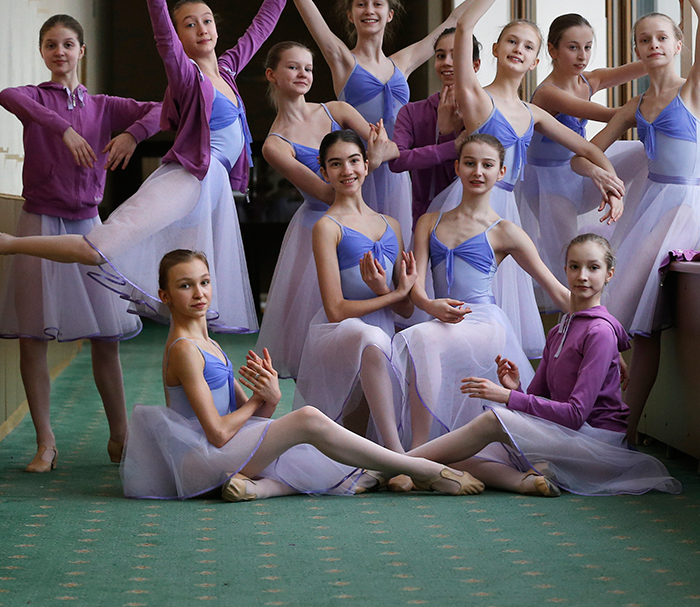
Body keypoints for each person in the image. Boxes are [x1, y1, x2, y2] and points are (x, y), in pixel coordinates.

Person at [0, 0, 326, 333]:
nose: (201, 29)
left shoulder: (226, 70)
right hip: (186, 178)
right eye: (189, 24)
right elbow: (165, 44)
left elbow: (263, 25)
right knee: (99, 249)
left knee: (196, 290)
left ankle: (197, 372)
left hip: (214, 188)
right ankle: (5, 243)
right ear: (181, 34)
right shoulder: (187, 76)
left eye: (206, 20)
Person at [231, 0, 507, 249]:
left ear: (390, 14)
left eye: (377, 4)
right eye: (361, 4)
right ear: (350, 14)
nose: (369, 10)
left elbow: (455, 20)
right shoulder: (342, 60)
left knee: (402, 251)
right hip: (362, 171)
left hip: (399, 169)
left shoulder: (402, 62)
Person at [120, 249, 484, 501]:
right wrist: (261, 402)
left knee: (305, 448)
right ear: (164, 296)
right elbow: (217, 432)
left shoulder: (207, 343)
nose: (199, 293)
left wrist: (269, 399)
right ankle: (424, 470)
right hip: (201, 460)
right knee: (308, 419)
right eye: (185, 286)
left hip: (221, 454)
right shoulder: (184, 349)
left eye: (204, 282)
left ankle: (261, 488)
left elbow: (249, 423)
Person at [0, 14, 161, 472]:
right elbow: (8, 97)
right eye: (51, 45)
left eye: (68, 44)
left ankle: (120, 436)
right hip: (39, 222)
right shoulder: (33, 97)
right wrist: (61, 128)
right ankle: (45, 442)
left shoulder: (103, 105)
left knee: (107, 338)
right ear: (43, 52)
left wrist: (132, 133)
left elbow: (167, 108)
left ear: (82, 51)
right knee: (33, 337)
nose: (60, 52)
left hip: (89, 226)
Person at [434, 0, 627, 356]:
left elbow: (587, 146)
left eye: (527, 46)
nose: (518, 49)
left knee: (504, 311)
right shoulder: (475, 98)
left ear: (537, 59)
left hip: (508, 212)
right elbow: (464, 23)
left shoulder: (533, 112)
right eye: (511, 41)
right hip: (470, 207)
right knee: (469, 303)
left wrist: (610, 180)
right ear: (497, 50)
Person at [406, 234, 681, 497]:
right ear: (565, 270)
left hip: (595, 443)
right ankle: (524, 482)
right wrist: (518, 388)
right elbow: (537, 404)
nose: (582, 275)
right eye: (575, 266)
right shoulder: (560, 330)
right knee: (467, 453)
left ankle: (389, 465)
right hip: (567, 435)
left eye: (593, 267)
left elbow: (575, 414)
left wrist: (507, 397)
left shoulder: (600, 332)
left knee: (492, 420)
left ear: (609, 274)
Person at [588, 0, 700, 445]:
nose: (653, 45)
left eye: (662, 37)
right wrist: (605, 177)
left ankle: (625, 428)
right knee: (624, 319)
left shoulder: (694, 89)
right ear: (637, 50)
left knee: (636, 322)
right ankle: (614, 422)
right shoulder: (637, 103)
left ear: (677, 44)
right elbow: (586, 151)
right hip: (646, 206)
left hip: (681, 206)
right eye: (644, 40)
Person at [394, 134, 570, 449]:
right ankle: (424, 448)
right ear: (457, 167)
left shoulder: (506, 231)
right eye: (470, 163)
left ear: (501, 172)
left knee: (421, 337)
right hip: (442, 319)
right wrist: (430, 306)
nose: (478, 172)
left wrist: (603, 324)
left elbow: (557, 291)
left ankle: (416, 454)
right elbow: (415, 288)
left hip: (484, 321)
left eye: (487, 165)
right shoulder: (428, 222)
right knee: (422, 336)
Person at [258, 43, 398, 379]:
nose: (303, 74)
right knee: (322, 320)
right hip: (319, 224)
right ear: (271, 75)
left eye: (308, 68)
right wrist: (365, 162)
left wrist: (375, 157)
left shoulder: (337, 110)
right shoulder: (275, 144)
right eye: (293, 67)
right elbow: (325, 190)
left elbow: (388, 145)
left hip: (361, 217)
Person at [293, 130, 414, 457]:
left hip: (384, 331)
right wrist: (390, 294)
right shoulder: (327, 227)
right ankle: (397, 457)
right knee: (368, 339)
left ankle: (380, 458)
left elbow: (404, 309)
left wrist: (391, 292)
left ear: (365, 164)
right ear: (324, 172)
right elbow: (334, 309)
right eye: (335, 164)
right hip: (344, 333)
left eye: (353, 160)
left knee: (359, 437)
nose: (346, 170)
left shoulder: (392, 224)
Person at [520, 13, 648, 310]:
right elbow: (608, 115)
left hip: (578, 171)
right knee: (568, 259)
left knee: (645, 155)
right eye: (573, 47)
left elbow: (647, 63)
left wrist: (664, 46)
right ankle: (571, 321)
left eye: (588, 47)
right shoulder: (547, 93)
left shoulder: (590, 80)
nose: (582, 56)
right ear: (552, 50)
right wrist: (647, 109)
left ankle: (632, 233)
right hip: (549, 184)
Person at [388, 28, 481, 230]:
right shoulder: (412, 112)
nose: (447, 62)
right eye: (440, 55)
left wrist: (447, 133)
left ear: (475, 65)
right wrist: (451, 144)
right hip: (425, 221)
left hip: (472, 222)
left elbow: (470, 175)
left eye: (456, 55)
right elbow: (396, 161)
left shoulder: (483, 114)